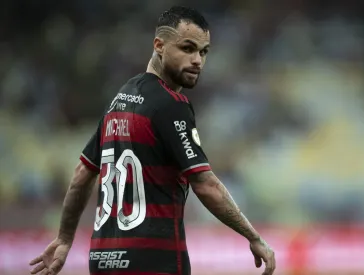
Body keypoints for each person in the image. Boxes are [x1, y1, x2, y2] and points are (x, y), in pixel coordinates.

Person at [29, 6, 276, 275]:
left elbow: (82, 173)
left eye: (203, 52)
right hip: (153, 260)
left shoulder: (121, 99)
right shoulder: (171, 105)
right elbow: (205, 185)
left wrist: (65, 238)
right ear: (159, 45)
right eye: (187, 48)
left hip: (103, 261)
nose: (198, 61)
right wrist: (253, 237)